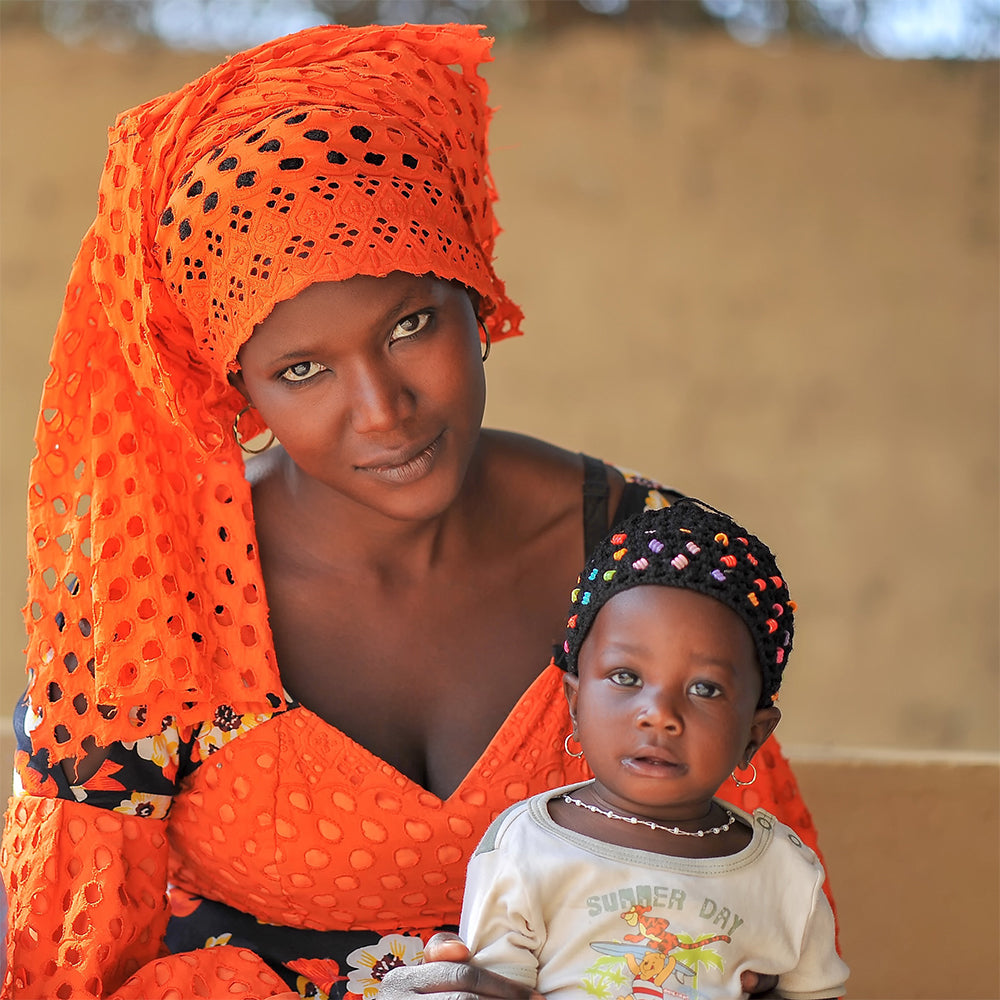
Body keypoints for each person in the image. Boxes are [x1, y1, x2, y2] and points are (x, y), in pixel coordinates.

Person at [0, 23, 827, 1000]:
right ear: (239, 391)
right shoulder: (154, 595)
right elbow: (58, 970)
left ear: (473, 294)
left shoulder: (651, 559)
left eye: (409, 324)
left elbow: (751, 932)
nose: (383, 409)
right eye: (302, 370)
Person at [459, 500, 849, 1000]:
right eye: (626, 677)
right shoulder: (527, 848)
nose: (659, 713)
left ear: (754, 735)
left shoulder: (784, 875)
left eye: (705, 689)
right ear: (575, 704)